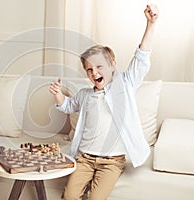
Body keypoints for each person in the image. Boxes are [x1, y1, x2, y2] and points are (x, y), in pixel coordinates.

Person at [49, 4, 159, 200]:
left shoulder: (124, 85)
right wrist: (58, 95)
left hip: (111, 162)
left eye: (99, 67)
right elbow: (68, 105)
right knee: (69, 196)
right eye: (89, 70)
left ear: (112, 65)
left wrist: (150, 24)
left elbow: (141, 58)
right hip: (84, 158)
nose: (95, 73)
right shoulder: (84, 94)